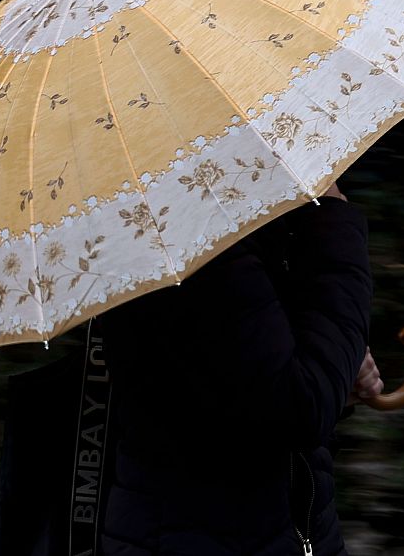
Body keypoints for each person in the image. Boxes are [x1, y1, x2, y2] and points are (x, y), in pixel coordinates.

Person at [96, 182, 384, 555]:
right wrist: (332, 217)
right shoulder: (194, 232)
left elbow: (236, 376)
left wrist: (333, 361)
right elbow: (299, 408)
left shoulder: (137, 214)